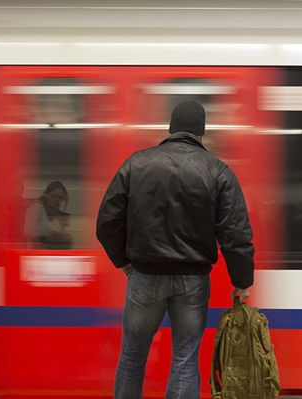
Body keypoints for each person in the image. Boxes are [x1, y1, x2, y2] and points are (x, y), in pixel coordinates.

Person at [96, 100, 254, 399]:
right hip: (192, 281)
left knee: (132, 357)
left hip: (145, 276)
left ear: (171, 129)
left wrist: (123, 261)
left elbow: (106, 222)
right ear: (201, 132)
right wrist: (242, 282)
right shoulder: (218, 172)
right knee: (184, 360)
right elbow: (235, 233)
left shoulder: (136, 163)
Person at [24, 180, 73, 249]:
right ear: (47, 195)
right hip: (37, 253)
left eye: (61, 198)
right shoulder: (37, 208)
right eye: (55, 196)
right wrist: (51, 233)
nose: (58, 200)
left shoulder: (58, 214)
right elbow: (28, 231)